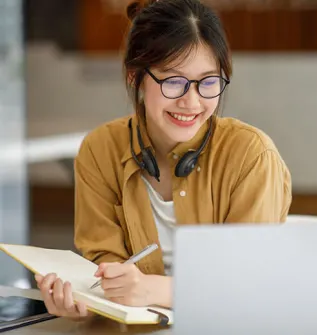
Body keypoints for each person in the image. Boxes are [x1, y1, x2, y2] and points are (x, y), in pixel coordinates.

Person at [35, 0, 292, 320]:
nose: (192, 101)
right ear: (135, 76)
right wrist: (84, 302)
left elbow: (248, 283)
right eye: (173, 81)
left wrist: (155, 289)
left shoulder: (251, 155)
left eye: (209, 82)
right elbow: (102, 265)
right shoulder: (100, 150)